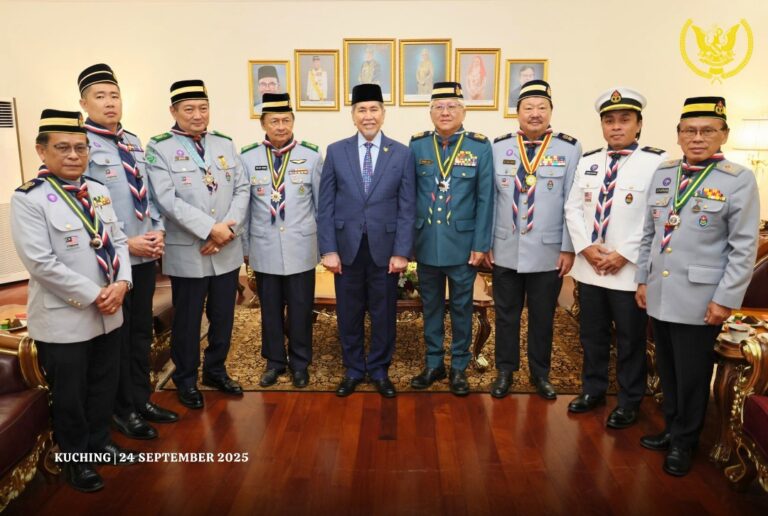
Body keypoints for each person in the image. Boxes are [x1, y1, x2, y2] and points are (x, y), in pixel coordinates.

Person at [11, 109, 135, 492]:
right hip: (65, 318)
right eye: (62, 147)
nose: (73, 155)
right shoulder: (30, 198)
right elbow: (41, 263)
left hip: (109, 312)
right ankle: (76, 460)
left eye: (80, 148)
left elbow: (118, 240)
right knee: (70, 395)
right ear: (41, 151)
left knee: (103, 384)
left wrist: (124, 283)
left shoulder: (96, 191)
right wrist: (97, 294)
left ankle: (99, 442)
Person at [635, 96, 759, 476]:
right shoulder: (665, 174)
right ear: (678, 135)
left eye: (708, 130)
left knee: (692, 374)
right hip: (660, 292)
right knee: (669, 369)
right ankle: (672, 428)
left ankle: (685, 441)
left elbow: (743, 248)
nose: (698, 137)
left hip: (700, 298)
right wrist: (642, 279)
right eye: (689, 130)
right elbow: (649, 234)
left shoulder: (738, 180)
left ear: (724, 134)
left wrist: (725, 300)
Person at [77, 63, 179, 441]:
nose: (109, 102)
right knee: (116, 340)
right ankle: (121, 410)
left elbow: (148, 195)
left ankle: (140, 399)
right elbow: (85, 207)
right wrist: (125, 242)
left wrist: (158, 231)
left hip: (145, 255)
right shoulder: (80, 145)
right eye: (100, 96)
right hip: (112, 260)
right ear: (84, 103)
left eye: (114, 95)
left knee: (140, 334)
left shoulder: (133, 141)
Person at [564, 88, 666, 427]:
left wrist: (624, 254)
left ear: (639, 124)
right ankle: (593, 390)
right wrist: (586, 247)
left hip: (627, 271)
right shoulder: (589, 161)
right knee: (591, 335)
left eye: (625, 119)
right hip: (591, 267)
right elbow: (573, 208)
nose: (616, 126)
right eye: (609, 121)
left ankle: (629, 400)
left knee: (629, 339)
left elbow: (657, 215)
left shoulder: (656, 163)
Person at [145, 80, 250, 410]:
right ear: (173, 111)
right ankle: (186, 378)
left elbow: (242, 189)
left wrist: (225, 231)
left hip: (226, 248)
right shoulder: (159, 148)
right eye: (189, 109)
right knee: (188, 321)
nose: (197, 115)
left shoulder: (225, 143)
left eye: (203, 108)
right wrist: (209, 230)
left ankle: (216, 370)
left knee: (223, 316)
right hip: (189, 251)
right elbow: (166, 200)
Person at [318, 83, 415, 398]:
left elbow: (407, 206)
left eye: (374, 109)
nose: (368, 115)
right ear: (353, 115)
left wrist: (402, 251)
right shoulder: (336, 151)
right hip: (346, 249)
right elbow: (325, 206)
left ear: (383, 114)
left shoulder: (401, 153)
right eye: (362, 110)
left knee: (383, 313)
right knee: (349, 312)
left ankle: (379, 370)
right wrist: (328, 249)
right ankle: (353, 369)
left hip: (385, 251)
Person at [488, 80, 580, 400]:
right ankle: (505, 370)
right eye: (528, 107)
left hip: (548, 251)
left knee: (543, 317)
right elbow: (490, 200)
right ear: (517, 113)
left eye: (542, 107)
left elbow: (572, 202)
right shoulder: (498, 147)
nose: (535, 113)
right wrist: (486, 243)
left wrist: (568, 248)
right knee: (506, 315)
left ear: (551, 111)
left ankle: (540, 373)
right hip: (505, 248)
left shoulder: (569, 149)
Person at [409, 82, 494, 396]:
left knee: (461, 308)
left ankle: (459, 366)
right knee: (430, 307)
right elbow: (408, 196)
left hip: (462, 246)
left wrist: (481, 244)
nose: (445, 112)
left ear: (463, 111)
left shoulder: (479, 147)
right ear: (431, 112)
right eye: (439, 107)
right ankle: (434, 363)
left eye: (452, 106)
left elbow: (486, 199)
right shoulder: (417, 146)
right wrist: (408, 243)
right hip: (426, 243)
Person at [240, 93, 323, 388]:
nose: (280, 126)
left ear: (293, 122)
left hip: (301, 246)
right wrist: (245, 249)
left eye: (286, 120)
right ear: (263, 123)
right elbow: (244, 208)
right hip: (264, 246)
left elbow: (320, 205)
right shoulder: (247, 157)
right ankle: (274, 361)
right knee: (270, 310)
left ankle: (300, 363)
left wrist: (323, 247)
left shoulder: (312, 156)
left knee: (301, 309)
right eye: (274, 121)